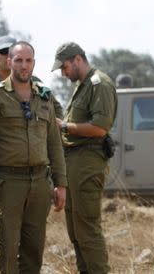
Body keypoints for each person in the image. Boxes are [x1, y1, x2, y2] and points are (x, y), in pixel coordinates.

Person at [0, 35, 63, 274]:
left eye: (27, 59)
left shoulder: (39, 89)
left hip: (36, 180)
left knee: (32, 249)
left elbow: (54, 127)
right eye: (9, 55)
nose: (17, 62)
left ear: (33, 62)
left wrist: (60, 180)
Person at [51, 42, 117, 274]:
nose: (62, 72)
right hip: (74, 164)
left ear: (78, 59)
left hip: (88, 162)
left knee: (87, 228)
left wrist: (65, 126)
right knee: (75, 230)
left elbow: (100, 127)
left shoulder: (100, 84)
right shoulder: (82, 86)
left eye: (65, 67)